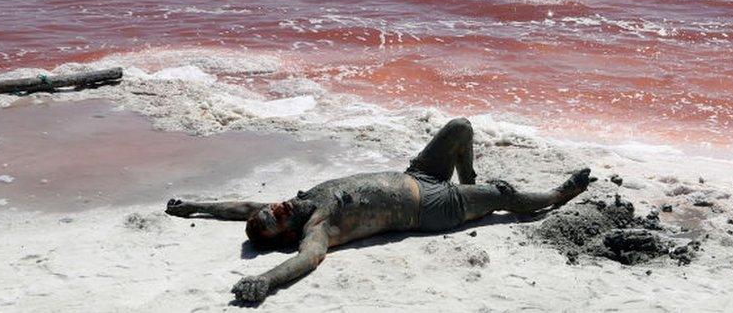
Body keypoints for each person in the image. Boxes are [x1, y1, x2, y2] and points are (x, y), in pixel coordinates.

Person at [165, 117, 591, 303]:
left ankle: (469, 181)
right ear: (285, 231)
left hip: (418, 173)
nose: (276, 206)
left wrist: (194, 207)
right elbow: (307, 261)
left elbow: (240, 206)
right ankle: (556, 195)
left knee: (460, 127)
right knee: (501, 194)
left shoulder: (298, 202)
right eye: (275, 216)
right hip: (430, 206)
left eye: (271, 208)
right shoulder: (317, 226)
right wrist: (264, 281)